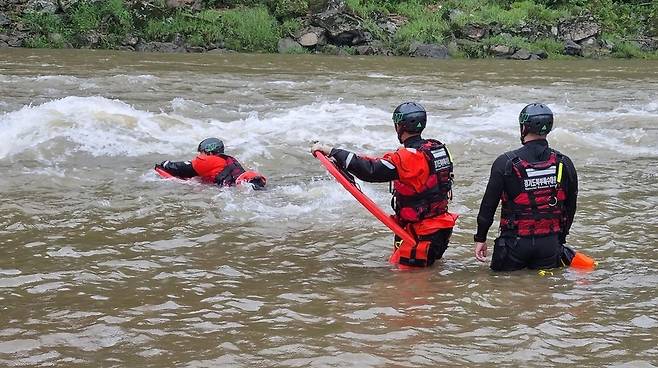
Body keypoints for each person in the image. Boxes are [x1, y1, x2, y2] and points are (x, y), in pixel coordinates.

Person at [312, 102, 458, 268]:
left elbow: (371, 171)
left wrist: (331, 151)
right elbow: (379, 164)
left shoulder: (408, 157)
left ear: (399, 126)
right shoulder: (437, 148)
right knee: (428, 273)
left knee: (410, 286)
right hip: (440, 229)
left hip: (420, 235)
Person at [474, 103, 578, 271]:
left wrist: (480, 238)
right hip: (550, 244)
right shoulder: (564, 162)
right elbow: (571, 206)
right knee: (543, 290)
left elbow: (488, 205)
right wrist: (561, 238)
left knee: (502, 289)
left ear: (523, 127)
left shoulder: (505, 162)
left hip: (514, 244)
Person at [155, 137, 266, 189]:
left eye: (201, 152)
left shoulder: (209, 160)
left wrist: (165, 164)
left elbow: (180, 168)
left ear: (209, 152)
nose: (199, 155)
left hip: (239, 189)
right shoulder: (228, 159)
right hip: (250, 185)